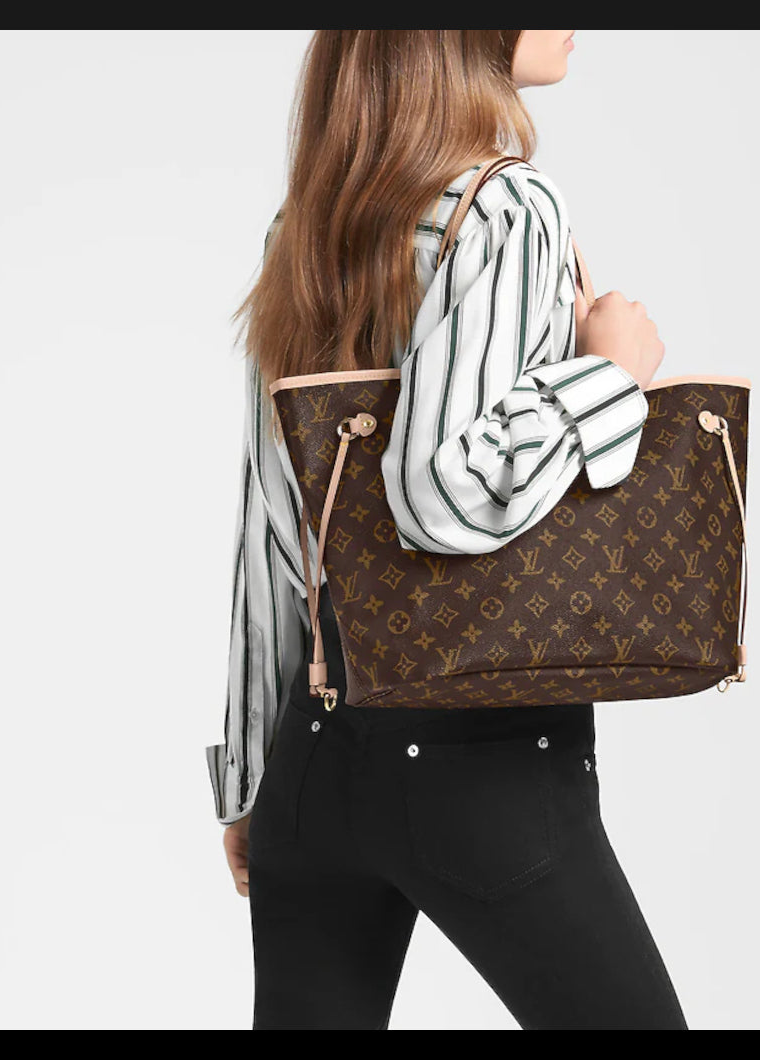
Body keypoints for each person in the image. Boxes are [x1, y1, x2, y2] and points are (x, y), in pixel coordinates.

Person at [205, 30, 684, 1030]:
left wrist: (252, 777)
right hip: (480, 763)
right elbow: (443, 489)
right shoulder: (507, 206)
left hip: (314, 759)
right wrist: (609, 373)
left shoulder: (306, 225)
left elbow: (275, 529)